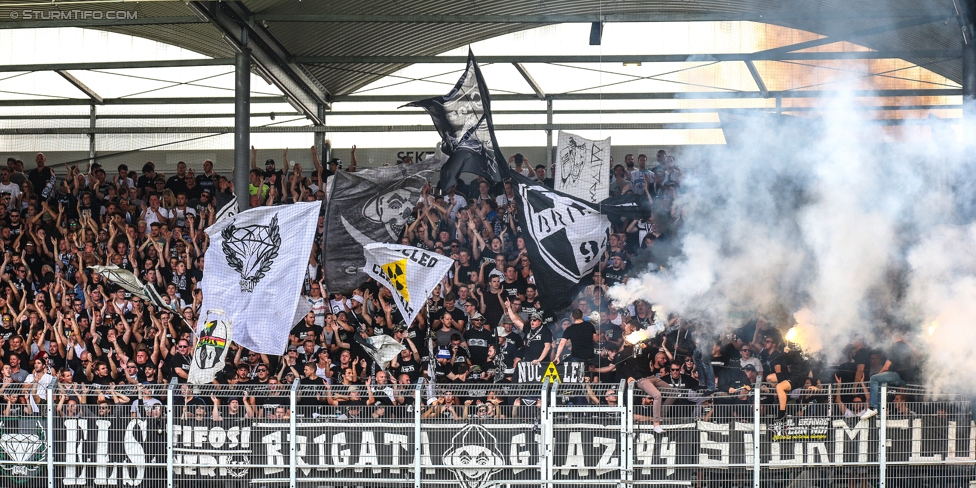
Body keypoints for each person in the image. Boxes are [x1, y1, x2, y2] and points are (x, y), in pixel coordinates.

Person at [861, 331, 919, 420]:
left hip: (897, 375)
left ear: (893, 338)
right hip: (906, 378)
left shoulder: (895, 347)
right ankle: (880, 411)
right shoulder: (908, 347)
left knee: (874, 378)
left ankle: (873, 408)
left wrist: (878, 375)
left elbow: (886, 367)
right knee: (881, 384)